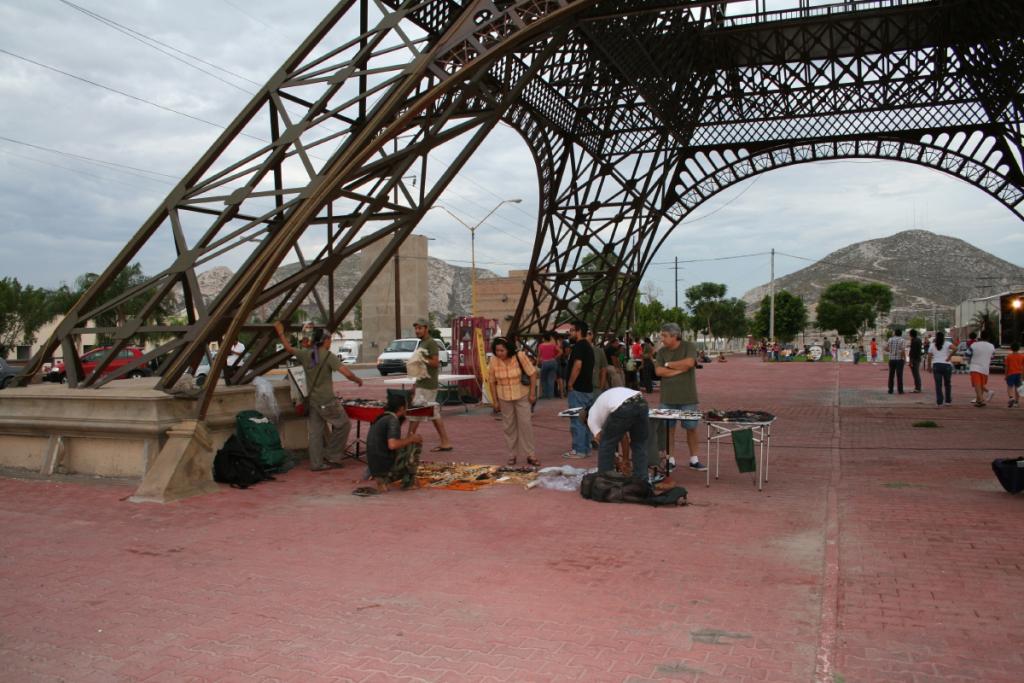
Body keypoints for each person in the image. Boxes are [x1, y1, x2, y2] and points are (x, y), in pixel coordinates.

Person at [273, 321, 364, 471]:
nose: (330, 343)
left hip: (313, 400)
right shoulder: (328, 356)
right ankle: (332, 455)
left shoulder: (306, 354)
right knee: (343, 424)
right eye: (330, 340)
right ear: (326, 341)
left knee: (315, 432)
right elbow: (346, 373)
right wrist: (357, 380)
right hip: (327, 400)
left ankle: (316, 463)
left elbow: (289, 349)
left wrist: (281, 333)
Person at [654, 322, 706, 472]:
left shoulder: (688, 346)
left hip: (688, 397)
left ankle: (694, 459)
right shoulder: (661, 352)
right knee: (668, 430)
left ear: (674, 336)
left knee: (691, 428)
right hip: (667, 398)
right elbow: (658, 372)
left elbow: (690, 362)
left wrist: (669, 364)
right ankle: (670, 459)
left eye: (664, 335)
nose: (661, 339)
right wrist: (679, 370)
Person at [487, 336, 540, 467]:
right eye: (497, 351)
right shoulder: (493, 361)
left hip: (522, 395)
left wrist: (532, 393)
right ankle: (512, 454)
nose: (499, 353)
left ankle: (530, 455)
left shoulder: (520, 356)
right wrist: (495, 401)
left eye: (502, 351)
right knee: (508, 426)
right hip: (504, 397)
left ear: (508, 349)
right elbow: (492, 382)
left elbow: (532, 374)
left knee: (525, 424)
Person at [407, 319, 453, 451]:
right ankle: (445, 442)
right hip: (422, 383)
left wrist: (422, 359)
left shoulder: (431, 343)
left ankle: (408, 441)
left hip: (428, 385)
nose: (417, 331)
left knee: (415, 412)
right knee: (433, 413)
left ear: (426, 328)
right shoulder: (422, 343)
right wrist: (416, 384)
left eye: (420, 328)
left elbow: (435, 363)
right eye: (416, 328)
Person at [585, 386, 649, 482]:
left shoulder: (591, 419)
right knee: (639, 444)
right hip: (641, 402)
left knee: (606, 444)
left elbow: (605, 445)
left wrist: (620, 463)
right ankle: (642, 483)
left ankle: (604, 482)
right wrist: (625, 460)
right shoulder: (601, 406)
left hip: (623, 406)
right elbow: (623, 437)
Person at [366, 393, 423, 492]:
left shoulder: (383, 417)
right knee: (415, 444)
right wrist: (411, 439)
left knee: (406, 443)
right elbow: (392, 445)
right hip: (384, 466)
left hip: (375, 467)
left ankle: (382, 480)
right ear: (401, 408)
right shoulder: (392, 420)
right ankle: (408, 482)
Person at [563, 321, 595, 459]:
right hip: (587, 388)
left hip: (578, 389)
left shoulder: (579, 346)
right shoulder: (588, 346)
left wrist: (570, 383)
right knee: (585, 420)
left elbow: (577, 365)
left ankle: (579, 449)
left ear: (578, 331)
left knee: (577, 420)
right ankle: (586, 448)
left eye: (572, 330)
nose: (570, 333)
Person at [968, 331, 996, 407]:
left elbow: (967, 353)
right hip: (985, 368)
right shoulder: (991, 346)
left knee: (977, 385)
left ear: (980, 336)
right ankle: (979, 400)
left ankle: (981, 400)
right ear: (988, 337)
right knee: (981, 385)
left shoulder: (974, 345)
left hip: (975, 367)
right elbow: (993, 356)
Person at [929, 331, 954, 406]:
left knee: (938, 385)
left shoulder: (932, 345)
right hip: (947, 365)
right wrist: (949, 357)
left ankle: (939, 401)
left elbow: (929, 356)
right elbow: (955, 348)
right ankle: (948, 401)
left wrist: (929, 366)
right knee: (947, 384)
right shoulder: (947, 344)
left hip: (936, 365)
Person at [536, 333, 561, 400]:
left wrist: (537, 363)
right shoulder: (553, 345)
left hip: (545, 362)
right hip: (553, 362)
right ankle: (550, 395)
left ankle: (545, 395)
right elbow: (560, 352)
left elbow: (538, 355)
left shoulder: (541, 346)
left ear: (544, 338)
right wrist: (555, 357)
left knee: (543, 379)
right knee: (551, 379)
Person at [886, 328, 907, 394]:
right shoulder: (902, 340)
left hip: (891, 359)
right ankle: (900, 390)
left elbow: (886, 348)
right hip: (899, 359)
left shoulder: (890, 339)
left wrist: (891, 351)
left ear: (895, 333)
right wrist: (905, 358)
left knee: (891, 375)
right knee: (899, 375)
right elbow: (903, 350)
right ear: (901, 334)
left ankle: (890, 390)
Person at [1004, 342, 1023, 408]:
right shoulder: (1022, 356)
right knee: (1018, 388)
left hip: (1011, 373)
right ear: (1019, 348)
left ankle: (1011, 398)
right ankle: (1016, 402)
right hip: (1019, 374)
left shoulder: (1009, 356)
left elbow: (1006, 367)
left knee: (1010, 387)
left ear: (1011, 348)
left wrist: (1006, 375)